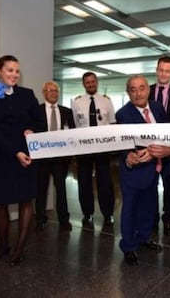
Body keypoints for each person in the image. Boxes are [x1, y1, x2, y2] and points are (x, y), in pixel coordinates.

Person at [116, 74, 170, 265]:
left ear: (148, 89)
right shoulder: (123, 114)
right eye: (132, 89)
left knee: (148, 207)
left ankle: (143, 238)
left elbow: (166, 134)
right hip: (134, 171)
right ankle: (128, 247)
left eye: (141, 88)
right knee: (130, 209)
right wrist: (128, 156)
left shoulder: (157, 108)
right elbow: (122, 142)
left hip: (155, 168)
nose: (138, 93)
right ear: (128, 93)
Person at [0, 55, 44, 266]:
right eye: (10, 70)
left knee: (26, 200)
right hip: (1, 154)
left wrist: (32, 129)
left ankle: (19, 247)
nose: (14, 74)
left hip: (25, 156)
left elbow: (40, 121)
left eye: (17, 71)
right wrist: (13, 151)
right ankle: (3, 244)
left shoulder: (27, 94)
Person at [71, 72, 116, 227]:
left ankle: (108, 213)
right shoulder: (77, 102)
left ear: (97, 82)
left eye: (93, 81)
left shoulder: (106, 101)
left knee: (105, 182)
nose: (90, 84)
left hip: (102, 148)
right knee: (84, 182)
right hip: (84, 148)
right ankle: (87, 213)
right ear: (84, 84)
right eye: (87, 82)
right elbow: (76, 126)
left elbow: (112, 124)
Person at [35, 81, 75, 232]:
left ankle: (64, 220)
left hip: (60, 159)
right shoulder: (36, 111)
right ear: (44, 92)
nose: (53, 93)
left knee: (61, 189)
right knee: (41, 189)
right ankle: (40, 219)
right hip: (42, 158)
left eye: (56, 91)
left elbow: (72, 133)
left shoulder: (67, 112)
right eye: (50, 90)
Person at [149, 56, 170, 236]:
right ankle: (151, 220)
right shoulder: (147, 91)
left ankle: (168, 220)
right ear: (156, 70)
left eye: (167, 71)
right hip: (149, 148)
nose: (163, 74)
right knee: (150, 186)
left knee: (169, 186)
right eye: (161, 70)